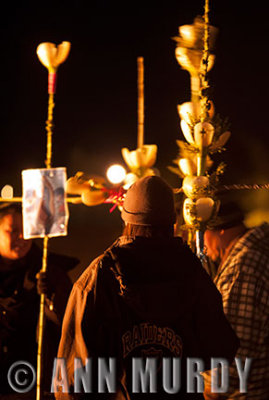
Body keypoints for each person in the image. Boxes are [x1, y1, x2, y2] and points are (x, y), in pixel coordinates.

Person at [54, 176, 239, 400]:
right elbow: (221, 348)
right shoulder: (192, 272)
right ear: (173, 223)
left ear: (126, 221)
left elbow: (73, 379)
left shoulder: (97, 278)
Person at [0, 203, 79, 398]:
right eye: (14, 230)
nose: (23, 237)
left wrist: (53, 298)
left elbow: (72, 324)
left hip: (38, 379)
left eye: (27, 230)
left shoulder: (48, 269)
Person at [203, 200, 269, 399]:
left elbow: (234, 356)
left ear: (219, 231)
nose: (203, 246)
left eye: (202, 234)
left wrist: (206, 389)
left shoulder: (243, 268)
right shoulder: (256, 252)